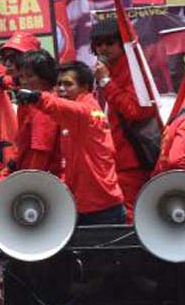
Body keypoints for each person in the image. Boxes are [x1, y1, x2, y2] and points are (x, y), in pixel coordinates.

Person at [15, 61, 126, 225]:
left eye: (68, 84)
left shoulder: (84, 111)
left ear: (85, 87)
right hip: (85, 205)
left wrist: (37, 97)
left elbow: (57, 105)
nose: (61, 89)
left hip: (100, 210)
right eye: (59, 84)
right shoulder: (75, 114)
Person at [90, 19, 157, 215]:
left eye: (110, 43)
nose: (104, 48)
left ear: (121, 43)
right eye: (99, 44)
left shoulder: (132, 70)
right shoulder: (103, 69)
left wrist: (106, 81)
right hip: (108, 159)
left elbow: (134, 111)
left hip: (130, 160)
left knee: (130, 213)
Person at [11, 50, 61, 174]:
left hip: (40, 180)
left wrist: (30, 182)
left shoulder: (45, 106)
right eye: (22, 76)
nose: (23, 81)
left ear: (45, 77)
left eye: (30, 76)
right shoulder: (30, 103)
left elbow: (41, 153)